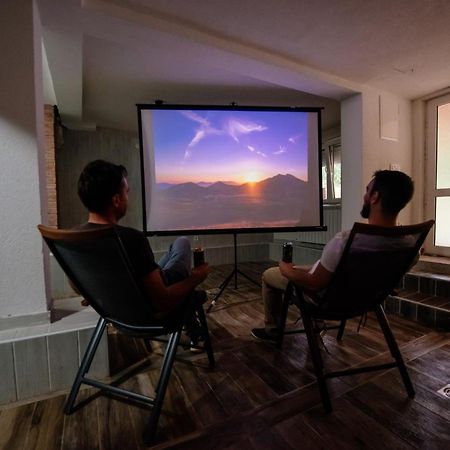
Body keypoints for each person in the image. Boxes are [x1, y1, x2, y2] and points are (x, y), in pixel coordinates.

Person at [251, 170, 415, 341]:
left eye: (367, 191)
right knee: (309, 267)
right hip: (366, 301)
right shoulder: (410, 245)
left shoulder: (345, 241)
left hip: (328, 302)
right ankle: (315, 324)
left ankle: (272, 331)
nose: (364, 195)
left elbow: (315, 283)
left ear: (375, 197)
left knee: (269, 275)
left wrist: (286, 270)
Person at [76, 159, 209, 328]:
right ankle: (194, 327)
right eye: (126, 192)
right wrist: (197, 277)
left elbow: (77, 286)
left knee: (170, 252)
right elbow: (164, 301)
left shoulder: (76, 238)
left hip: (118, 307)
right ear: (116, 200)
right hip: (148, 310)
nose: (127, 197)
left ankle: (193, 329)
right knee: (182, 242)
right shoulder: (131, 239)